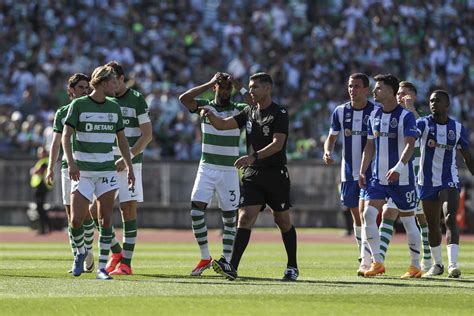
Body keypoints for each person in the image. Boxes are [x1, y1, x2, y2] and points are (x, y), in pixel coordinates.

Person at [200, 72, 298, 281]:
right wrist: (209, 114)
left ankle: (292, 266)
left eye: (254, 87)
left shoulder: (279, 112)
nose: (250, 90)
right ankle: (232, 267)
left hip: (275, 174)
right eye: (250, 87)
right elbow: (224, 124)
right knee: (244, 217)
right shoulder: (249, 111)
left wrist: (253, 156)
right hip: (253, 174)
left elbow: (278, 144)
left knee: (282, 220)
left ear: (267, 89)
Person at [62, 65, 135, 280]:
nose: (117, 86)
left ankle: (102, 269)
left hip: (106, 172)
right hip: (83, 172)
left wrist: (130, 168)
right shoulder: (78, 105)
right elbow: (66, 137)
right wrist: (72, 163)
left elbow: (122, 141)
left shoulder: (114, 107)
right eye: (113, 82)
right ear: (103, 83)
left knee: (105, 220)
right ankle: (80, 253)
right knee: (75, 220)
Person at [359, 74, 420, 278]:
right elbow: (369, 146)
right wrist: (362, 169)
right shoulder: (374, 115)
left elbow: (410, 144)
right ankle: (378, 262)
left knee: (409, 221)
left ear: (391, 92)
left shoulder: (405, 116)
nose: (375, 91)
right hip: (378, 178)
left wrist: (399, 168)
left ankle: (415, 266)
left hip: (402, 179)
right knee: (368, 214)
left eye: (378, 88)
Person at [101, 61, 152, 276]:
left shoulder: (137, 99)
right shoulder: (104, 99)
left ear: (122, 79)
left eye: (114, 81)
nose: (111, 85)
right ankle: (116, 251)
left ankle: (126, 264)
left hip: (130, 164)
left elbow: (147, 134)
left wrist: (128, 157)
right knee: (98, 213)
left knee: (128, 211)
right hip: (103, 163)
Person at [323, 73, 376, 275]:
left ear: (365, 89)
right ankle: (364, 256)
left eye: (356, 86)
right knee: (357, 217)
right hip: (348, 173)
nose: (352, 90)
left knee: (368, 214)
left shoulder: (376, 111)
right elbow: (331, 138)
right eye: (350, 86)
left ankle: (370, 258)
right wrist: (327, 151)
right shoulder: (340, 111)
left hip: (372, 173)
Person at [417, 90, 474, 278]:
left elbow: (467, 157)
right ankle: (437, 265)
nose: (433, 103)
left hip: (448, 179)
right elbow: (409, 139)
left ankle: (453, 265)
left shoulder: (457, 128)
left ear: (447, 104)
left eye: (438, 100)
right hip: (426, 182)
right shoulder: (423, 124)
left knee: (450, 218)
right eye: (431, 100)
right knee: (432, 224)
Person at [46, 73, 97, 273]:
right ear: (72, 91)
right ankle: (79, 253)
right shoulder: (63, 112)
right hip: (68, 167)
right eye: (82, 87)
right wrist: (51, 166)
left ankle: (89, 251)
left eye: (88, 87)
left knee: (83, 213)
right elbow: (56, 142)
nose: (86, 91)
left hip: (87, 167)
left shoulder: (94, 109)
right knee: (71, 215)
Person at [396, 81, 432, 272]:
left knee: (421, 217)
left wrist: (410, 108)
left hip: (418, 174)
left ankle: (426, 259)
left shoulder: (421, 118)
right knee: (390, 213)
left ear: (413, 96)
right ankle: (374, 261)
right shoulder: (393, 115)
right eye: (399, 93)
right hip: (399, 172)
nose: (400, 96)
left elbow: (419, 133)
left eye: (405, 93)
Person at [30, 146, 52, 234]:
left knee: (40, 208)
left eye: (42, 152)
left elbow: (37, 171)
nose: (41, 154)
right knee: (40, 208)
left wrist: (33, 170)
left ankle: (44, 228)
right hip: (39, 186)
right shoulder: (41, 161)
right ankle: (46, 227)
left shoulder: (45, 161)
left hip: (42, 186)